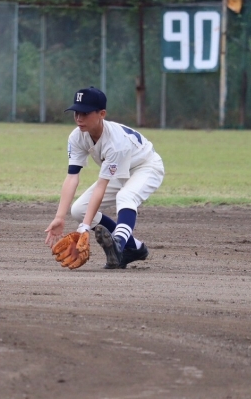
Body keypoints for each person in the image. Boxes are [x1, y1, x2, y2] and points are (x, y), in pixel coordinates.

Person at [44, 86, 165, 269]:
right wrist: (60, 217)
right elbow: (72, 177)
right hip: (120, 170)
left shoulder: (116, 143)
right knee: (79, 210)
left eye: (85, 113)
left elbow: (101, 185)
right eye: (76, 112)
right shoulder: (77, 136)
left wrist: (84, 227)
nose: (79, 118)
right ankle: (134, 248)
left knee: (126, 196)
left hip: (146, 167)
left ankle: (119, 244)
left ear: (102, 114)